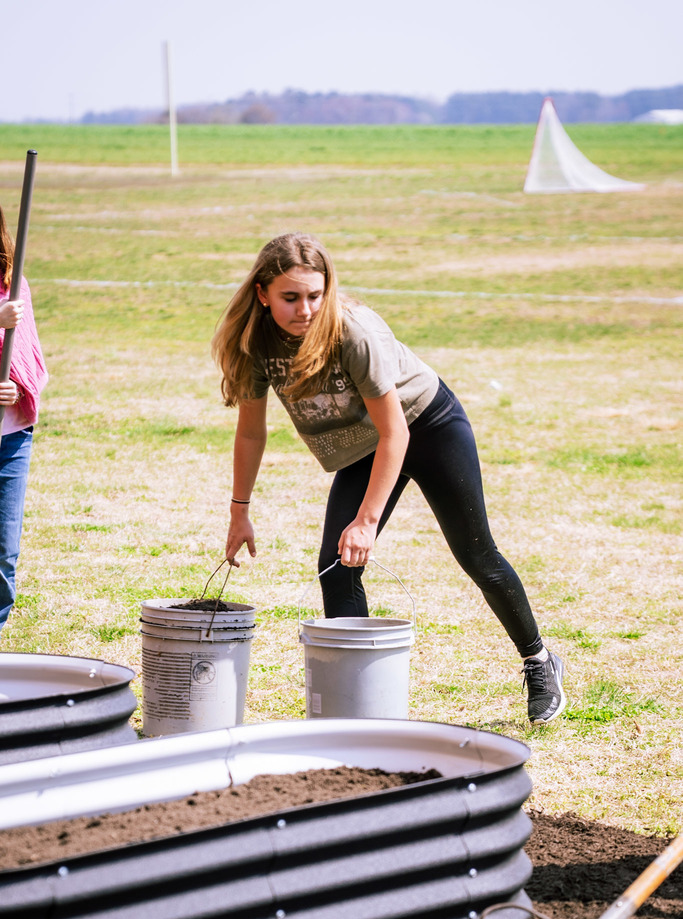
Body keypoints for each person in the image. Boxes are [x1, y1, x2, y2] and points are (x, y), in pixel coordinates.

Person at [212, 232, 566, 725]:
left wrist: (367, 521)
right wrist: (239, 512)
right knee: (337, 567)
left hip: (425, 425)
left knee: (477, 556)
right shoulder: (258, 344)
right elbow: (251, 433)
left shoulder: (353, 332)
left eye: (315, 295)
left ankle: (540, 660)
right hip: (366, 442)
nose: (306, 309)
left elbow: (395, 431)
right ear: (263, 294)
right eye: (290, 297)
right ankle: (354, 711)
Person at [0, 204, 48, 635]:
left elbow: (24, 357)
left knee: (3, 554)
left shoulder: (13, 284)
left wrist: (16, 386)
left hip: (11, 437)